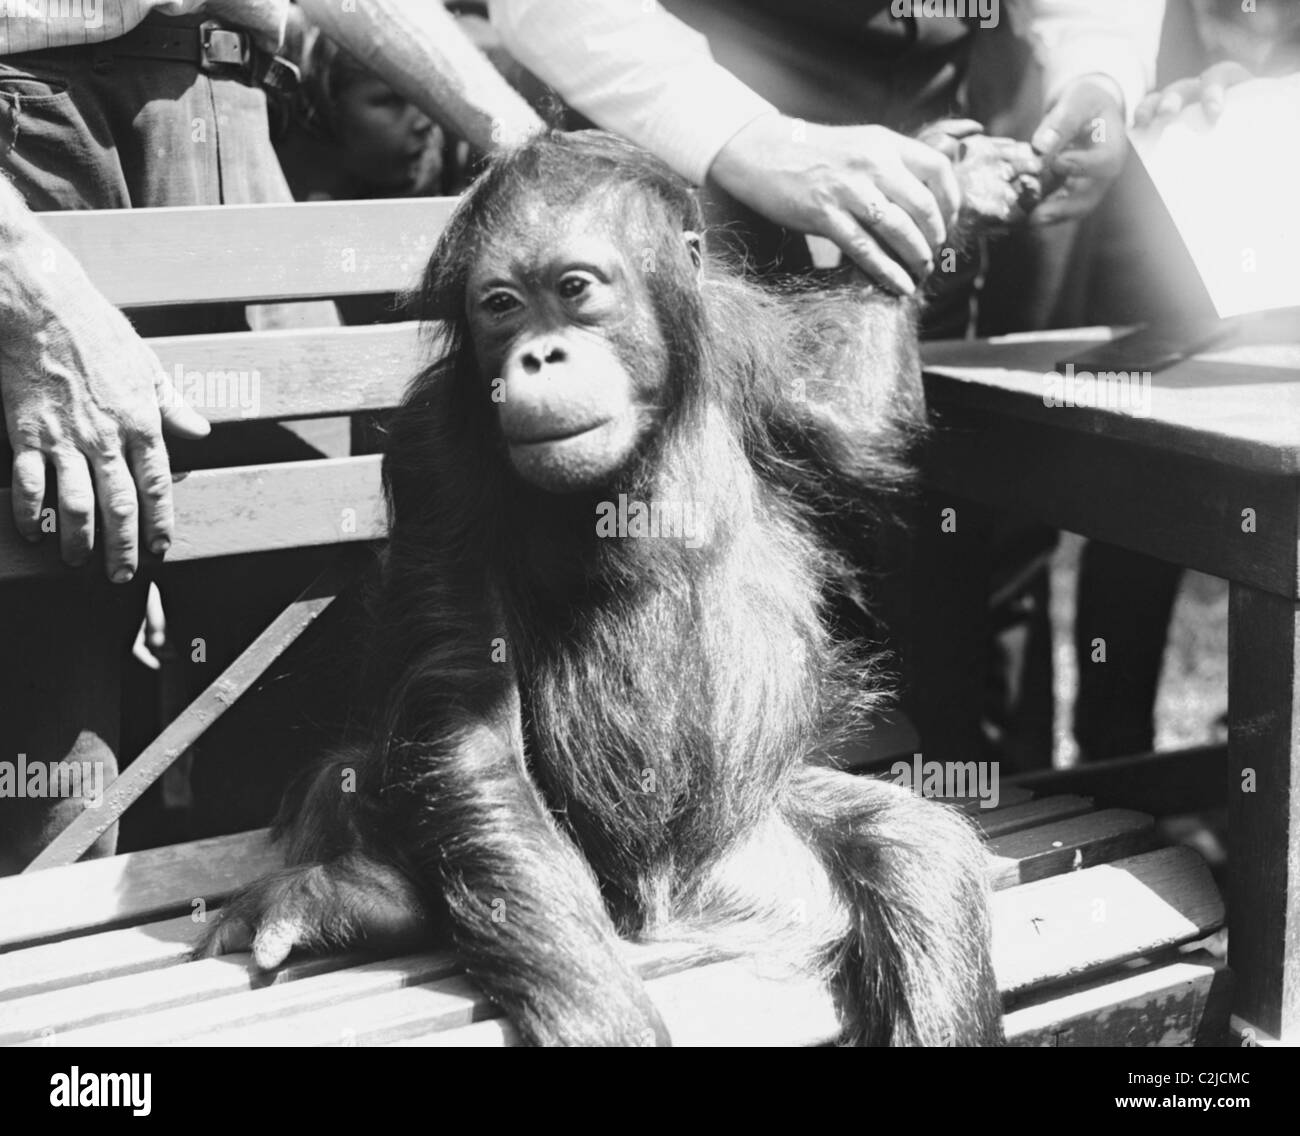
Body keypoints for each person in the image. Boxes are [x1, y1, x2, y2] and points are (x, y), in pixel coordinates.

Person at [0, 0, 540, 869]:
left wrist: (520, 140)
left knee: (310, 739)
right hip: (37, 154)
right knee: (48, 790)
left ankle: (262, 987)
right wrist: (17, 280)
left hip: (244, 133)